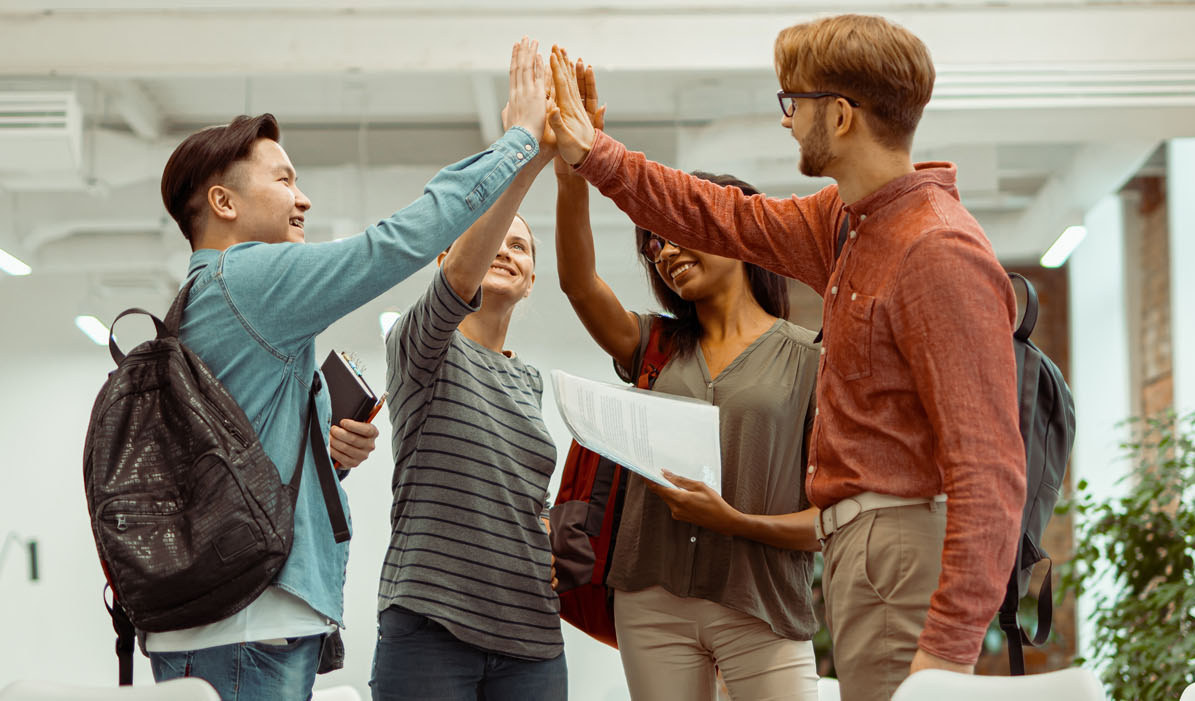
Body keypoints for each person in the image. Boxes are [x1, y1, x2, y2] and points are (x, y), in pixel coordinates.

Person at [546, 14, 1027, 700]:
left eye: (792, 102)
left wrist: (946, 652)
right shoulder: (846, 225)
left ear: (837, 115)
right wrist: (592, 152)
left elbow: (991, 469)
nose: (786, 121)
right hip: (855, 550)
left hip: (897, 544)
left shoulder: (936, 249)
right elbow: (716, 214)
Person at [143, 38, 550, 700]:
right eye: (283, 179)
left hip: (224, 619)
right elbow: (395, 244)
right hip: (250, 621)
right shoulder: (245, 277)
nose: (301, 199)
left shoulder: (200, 297)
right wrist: (518, 141)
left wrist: (328, 456)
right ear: (224, 203)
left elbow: (233, 458)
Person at [553, 79, 821, 700]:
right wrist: (573, 170)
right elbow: (577, 282)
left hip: (762, 601)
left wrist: (735, 521)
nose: (664, 252)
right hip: (650, 599)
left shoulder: (810, 359)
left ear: (736, 232)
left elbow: (828, 520)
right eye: (655, 244)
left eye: (678, 233)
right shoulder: (656, 346)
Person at [371, 199, 567, 699]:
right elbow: (456, 285)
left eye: (519, 247)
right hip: (433, 623)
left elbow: (523, 490)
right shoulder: (421, 347)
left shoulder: (529, 381)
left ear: (530, 281)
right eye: (492, 239)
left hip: (532, 636)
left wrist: (550, 531)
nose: (504, 251)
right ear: (447, 262)